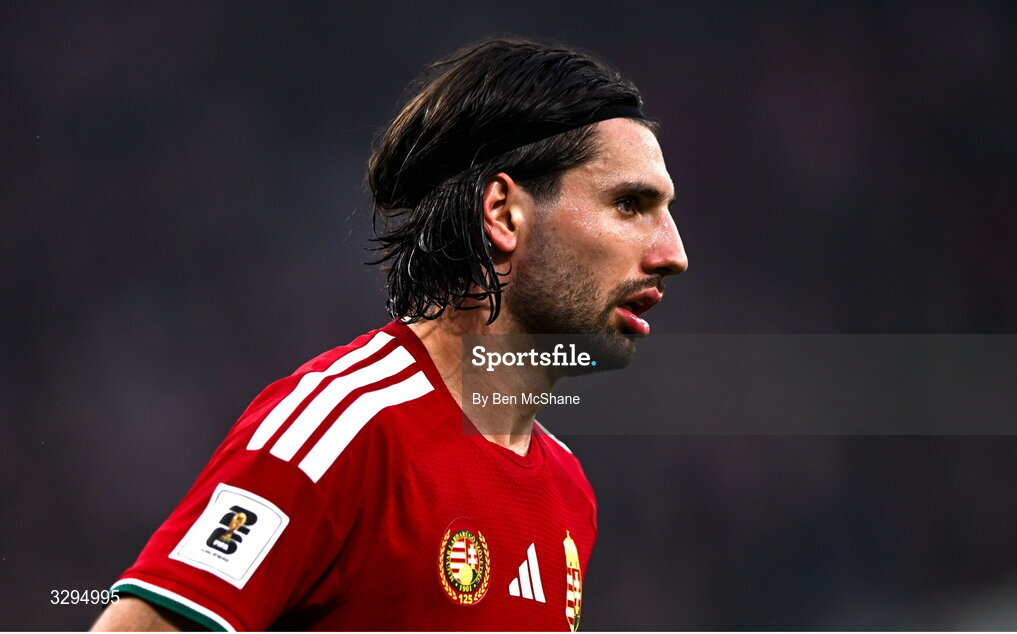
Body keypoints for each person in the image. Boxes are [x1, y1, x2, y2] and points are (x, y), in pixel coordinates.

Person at [92, 37, 687, 631]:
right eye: (630, 204)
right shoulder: (345, 430)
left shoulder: (568, 494)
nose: (673, 253)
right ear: (505, 213)